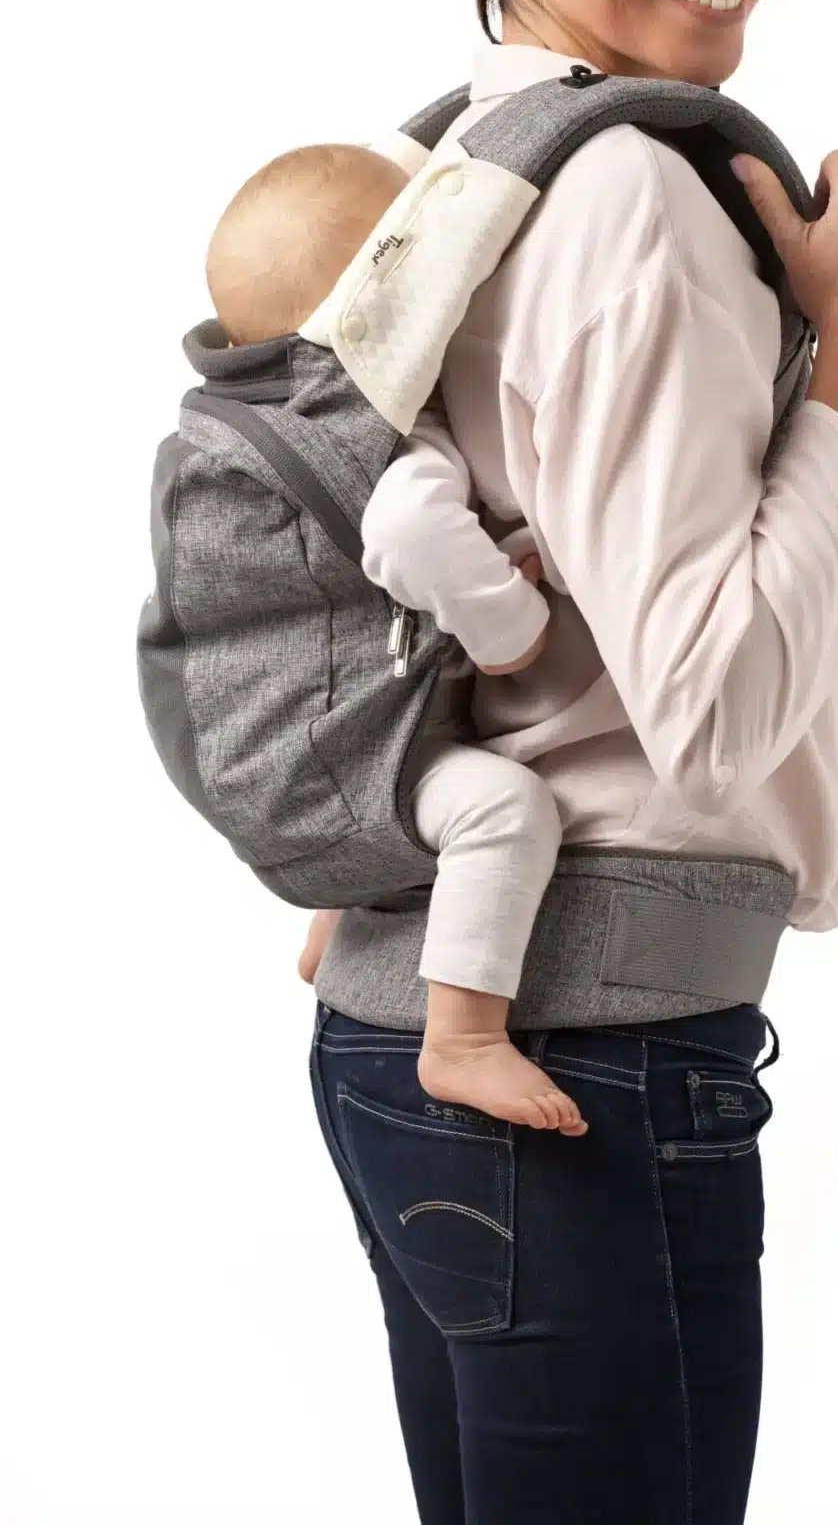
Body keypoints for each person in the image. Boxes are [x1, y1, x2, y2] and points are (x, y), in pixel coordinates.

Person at [303, 0, 838, 1525]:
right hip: (582, 1060)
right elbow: (714, 701)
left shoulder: (461, 164)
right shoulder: (630, 200)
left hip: (415, 1030)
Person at [206, 140, 589, 1134]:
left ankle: (333, 923)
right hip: (334, 760)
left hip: (285, 747)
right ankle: (462, 1037)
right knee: (502, 807)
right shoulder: (390, 438)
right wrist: (511, 630)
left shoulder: (248, 425)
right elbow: (410, 532)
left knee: (395, 738)